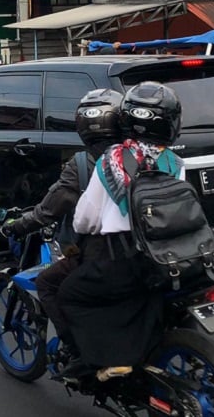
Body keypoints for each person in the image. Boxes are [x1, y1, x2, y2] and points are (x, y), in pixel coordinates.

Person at [58, 82, 185, 383]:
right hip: (169, 258)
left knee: (70, 294)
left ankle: (107, 361)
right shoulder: (176, 162)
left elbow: (84, 220)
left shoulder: (111, 160)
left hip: (125, 259)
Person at [1, 89, 124, 356]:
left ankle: (75, 349)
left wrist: (19, 225)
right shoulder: (141, 155)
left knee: (46, 284)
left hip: (103, 255)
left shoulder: (83, 165)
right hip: (145, 250)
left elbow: (52, 211)